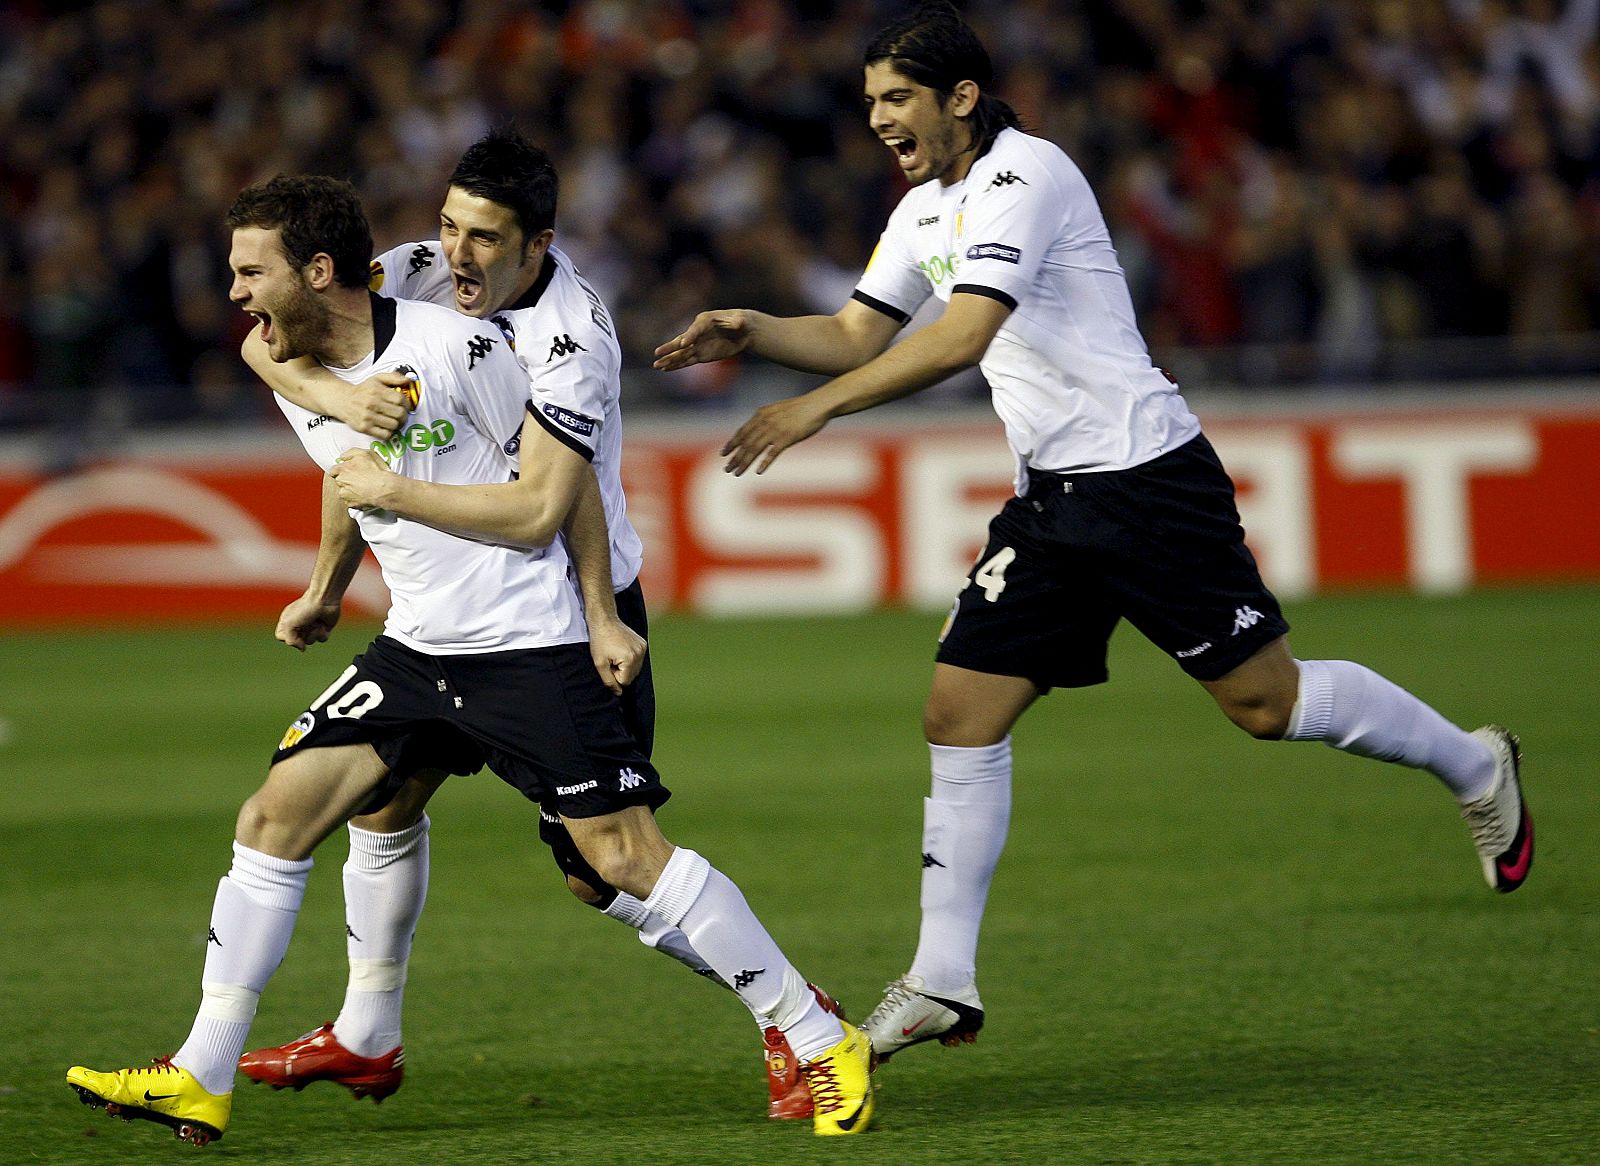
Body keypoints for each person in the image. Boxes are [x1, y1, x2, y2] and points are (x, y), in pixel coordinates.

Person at [654, 1, 1531, 1065]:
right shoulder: (923, 208)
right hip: (1055, 500)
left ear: (960, 97)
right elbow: (851, 333)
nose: (878, 119)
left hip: (1148, 476)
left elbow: (964, 333)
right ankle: (941, 978)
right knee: (958, 708)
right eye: (871, 102)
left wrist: (817, 409)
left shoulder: (1029, 175)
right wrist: (749, 329)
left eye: (897, 98)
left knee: (1267, 702)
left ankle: (1473, 764)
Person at [66, 174, 874, 1145]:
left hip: (529, 636)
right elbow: (344, 466)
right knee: (278, 814)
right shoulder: (335, 333)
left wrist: (597, 617)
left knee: (613, 859)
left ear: (316, 272)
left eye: (250, 271)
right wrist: (326, 585)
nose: (234, 293)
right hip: (418, 644)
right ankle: (204, 1070)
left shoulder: (471, 346)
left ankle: (815, 1029)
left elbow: (556, 487)